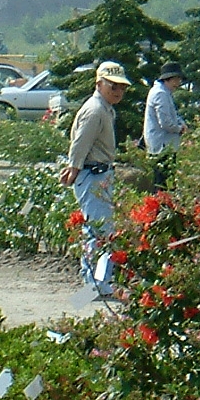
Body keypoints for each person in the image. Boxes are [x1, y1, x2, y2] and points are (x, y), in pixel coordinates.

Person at [59, 60, 130, 296]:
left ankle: (97, 283)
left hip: (101, 173)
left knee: (100, 230)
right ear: (99, 83)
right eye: (113, 86)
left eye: (122, 87)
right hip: (92, 173)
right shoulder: (95, 110)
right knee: (100, 231)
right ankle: (94, 285)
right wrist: (74, 168)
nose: (118, 91)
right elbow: (80, 143)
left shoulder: (106, 108)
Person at [143, 61, 188, 190]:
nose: (178, 83)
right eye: (177, 79)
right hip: (161, 145)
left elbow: (173, 115)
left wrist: (181, 123)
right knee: (162, 182)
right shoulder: (160, 94)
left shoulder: (163, 92)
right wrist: (179, 129)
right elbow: (165, 123)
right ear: (169, 79)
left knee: (165, 180)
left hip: (164, 144)